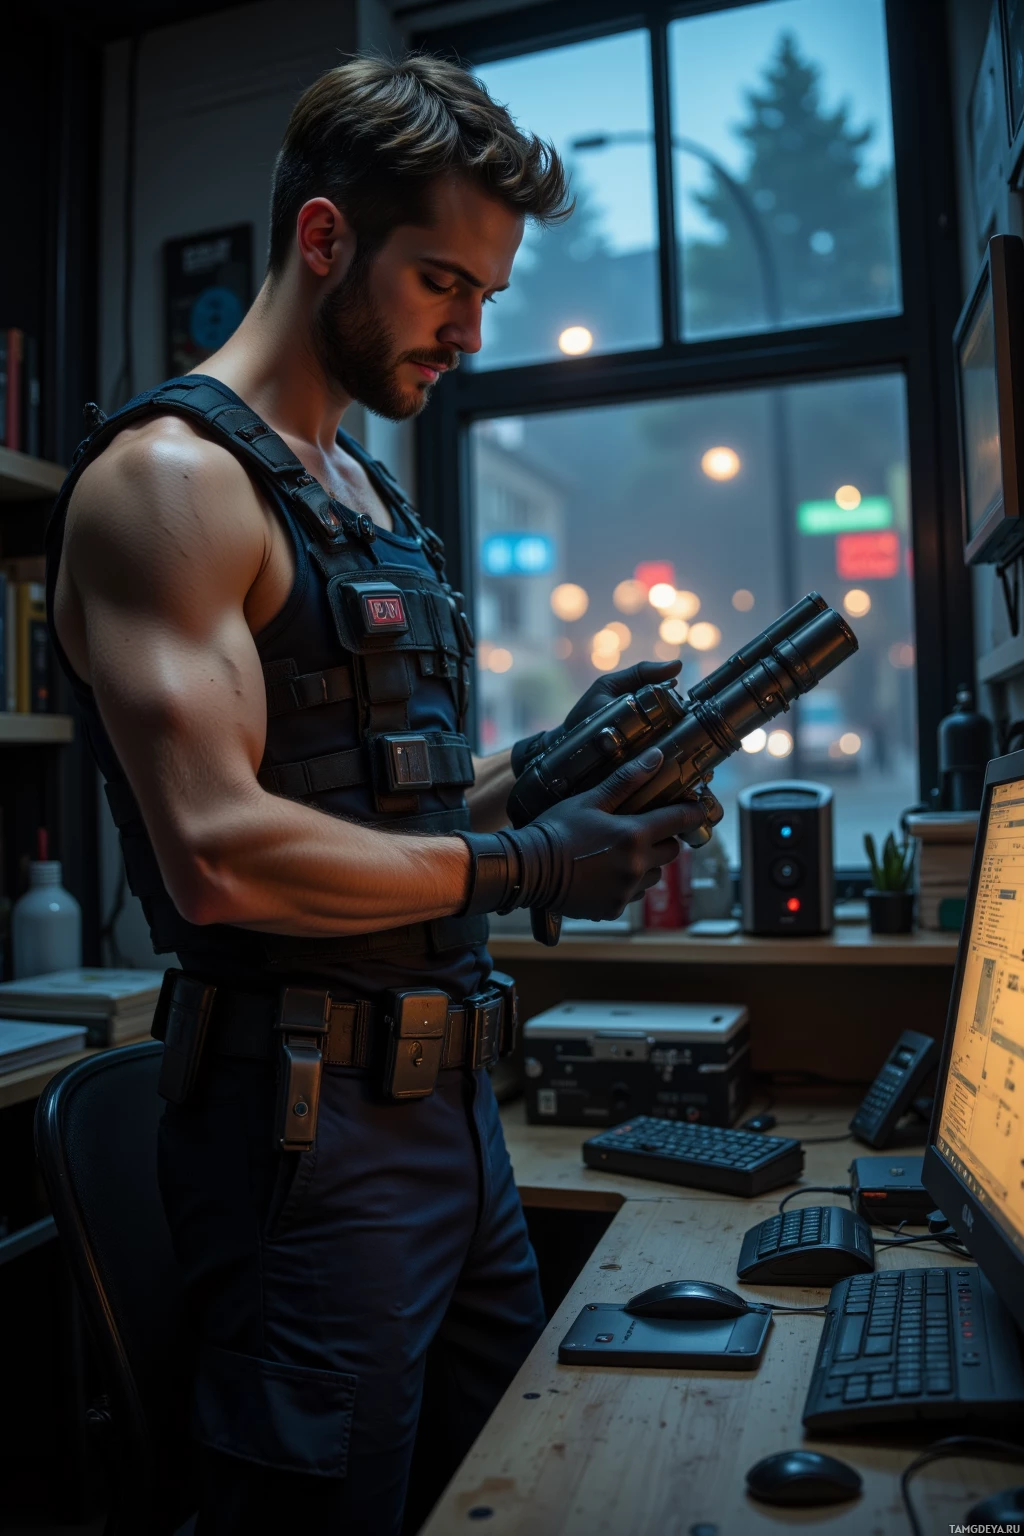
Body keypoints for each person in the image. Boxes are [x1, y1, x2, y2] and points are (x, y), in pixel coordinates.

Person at [46, 52, 707, 1535]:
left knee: (507, 1492)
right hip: (305, 1142)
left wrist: (554, 765)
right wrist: (531, 863)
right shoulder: (171, 484)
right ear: (326, 239)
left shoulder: (362, 492)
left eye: (486, 295)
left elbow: (375, 802)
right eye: (442, 286)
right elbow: (220, 851)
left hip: (451, 1122)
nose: (469, 331)